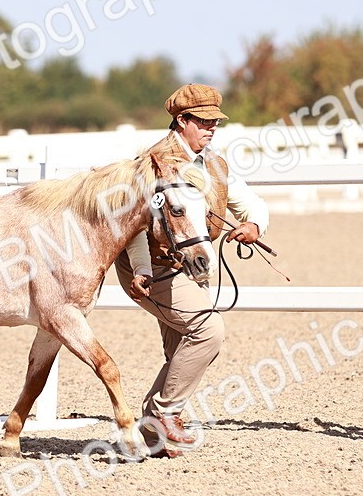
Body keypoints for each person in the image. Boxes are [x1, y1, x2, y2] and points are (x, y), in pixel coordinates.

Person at [115, 83, 269, 457]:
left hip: (195, 265)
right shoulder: (151, 164)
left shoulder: (214, 163)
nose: (211, 128)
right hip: (154, 266)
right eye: (203, 121)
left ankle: (152, 432)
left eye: (215, 121)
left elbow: (249, 204)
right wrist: (140, 269)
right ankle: (165, 413)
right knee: (207, 330)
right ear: (181, 121)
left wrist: (253, 226)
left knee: (181, 352)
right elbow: (135, 226)